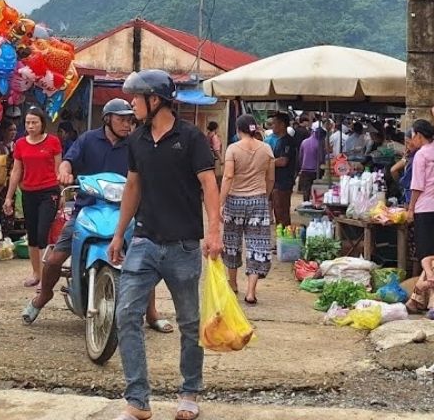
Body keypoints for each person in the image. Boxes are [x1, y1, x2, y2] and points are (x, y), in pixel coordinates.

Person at [108, 69, 222, 420]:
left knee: (189, 322)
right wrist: (118, 233)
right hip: (144, 240)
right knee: (126, 313)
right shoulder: (137, 140)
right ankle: (138, 400)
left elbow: (209, 184)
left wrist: (214, 230)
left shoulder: (190, 139)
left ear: (154, 100)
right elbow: (132, 187)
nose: (131, 106)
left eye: (135, 99)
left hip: (184, 246)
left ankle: (189, 392)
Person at [20, 98, 171, 331]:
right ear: (107, 119)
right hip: (87, 209)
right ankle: (43, 296)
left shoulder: (134, 143)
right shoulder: (88, 140)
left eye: (129, 119)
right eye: (121, 119)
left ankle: (151, 314)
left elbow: (149, 168)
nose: (126, 124)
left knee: (142, 259)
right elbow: (67, 161)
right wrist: (64, 171)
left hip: (125, 211)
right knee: (54, 259)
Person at [4, 105, 62, 287]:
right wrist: (9, 197)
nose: (31, 126)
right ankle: (36, 273)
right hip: (28, 192)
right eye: (28, 123)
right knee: (33, 235)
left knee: (43, 232)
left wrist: (62, 194)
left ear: (42, 123)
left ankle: (46, 276)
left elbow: (58, 168)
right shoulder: (20, 144)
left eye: (34, 122)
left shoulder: (53, 142)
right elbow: (16, 171)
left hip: (49, 191)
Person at [219, 114, 274, 304]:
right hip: (258, 200)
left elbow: (227, 177)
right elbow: (271, 178)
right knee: (257, 244)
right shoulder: (266, 149)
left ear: (238, 129)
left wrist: (220, 202)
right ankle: (251, 292)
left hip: (235, 200)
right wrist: (264, 196)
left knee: (232, 243)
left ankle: (233, 284)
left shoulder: (233, 149)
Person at [407, 107, 434, 261]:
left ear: (418, 135)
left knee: (425, 254)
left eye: (412, 136)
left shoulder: (421, 155)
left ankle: (428, 281)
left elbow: (417, 186)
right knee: (433, 248)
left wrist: (411, 209)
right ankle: (432, 280)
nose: (412, 140)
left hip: (425, 209)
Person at [268, 111, 299, 226]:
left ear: (282, 125)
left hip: (283, 183)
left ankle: (285, 239)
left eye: (274, 124)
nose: (272, 126)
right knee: (277, 211)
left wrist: (267, 163)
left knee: (282, 212)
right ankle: (281, 239)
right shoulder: (278, 141)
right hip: (276, 182)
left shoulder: (288, 142)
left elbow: (283, 161)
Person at [297, 126, 325, 201]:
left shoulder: (304, 142)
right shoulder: (319, 144)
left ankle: (306, 203)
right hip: (315, 170)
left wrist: (301, 166)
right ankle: (315, 203)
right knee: (316, 189)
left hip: (305, 169)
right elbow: (321, 158)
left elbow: (300, 156)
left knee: (306, 189)